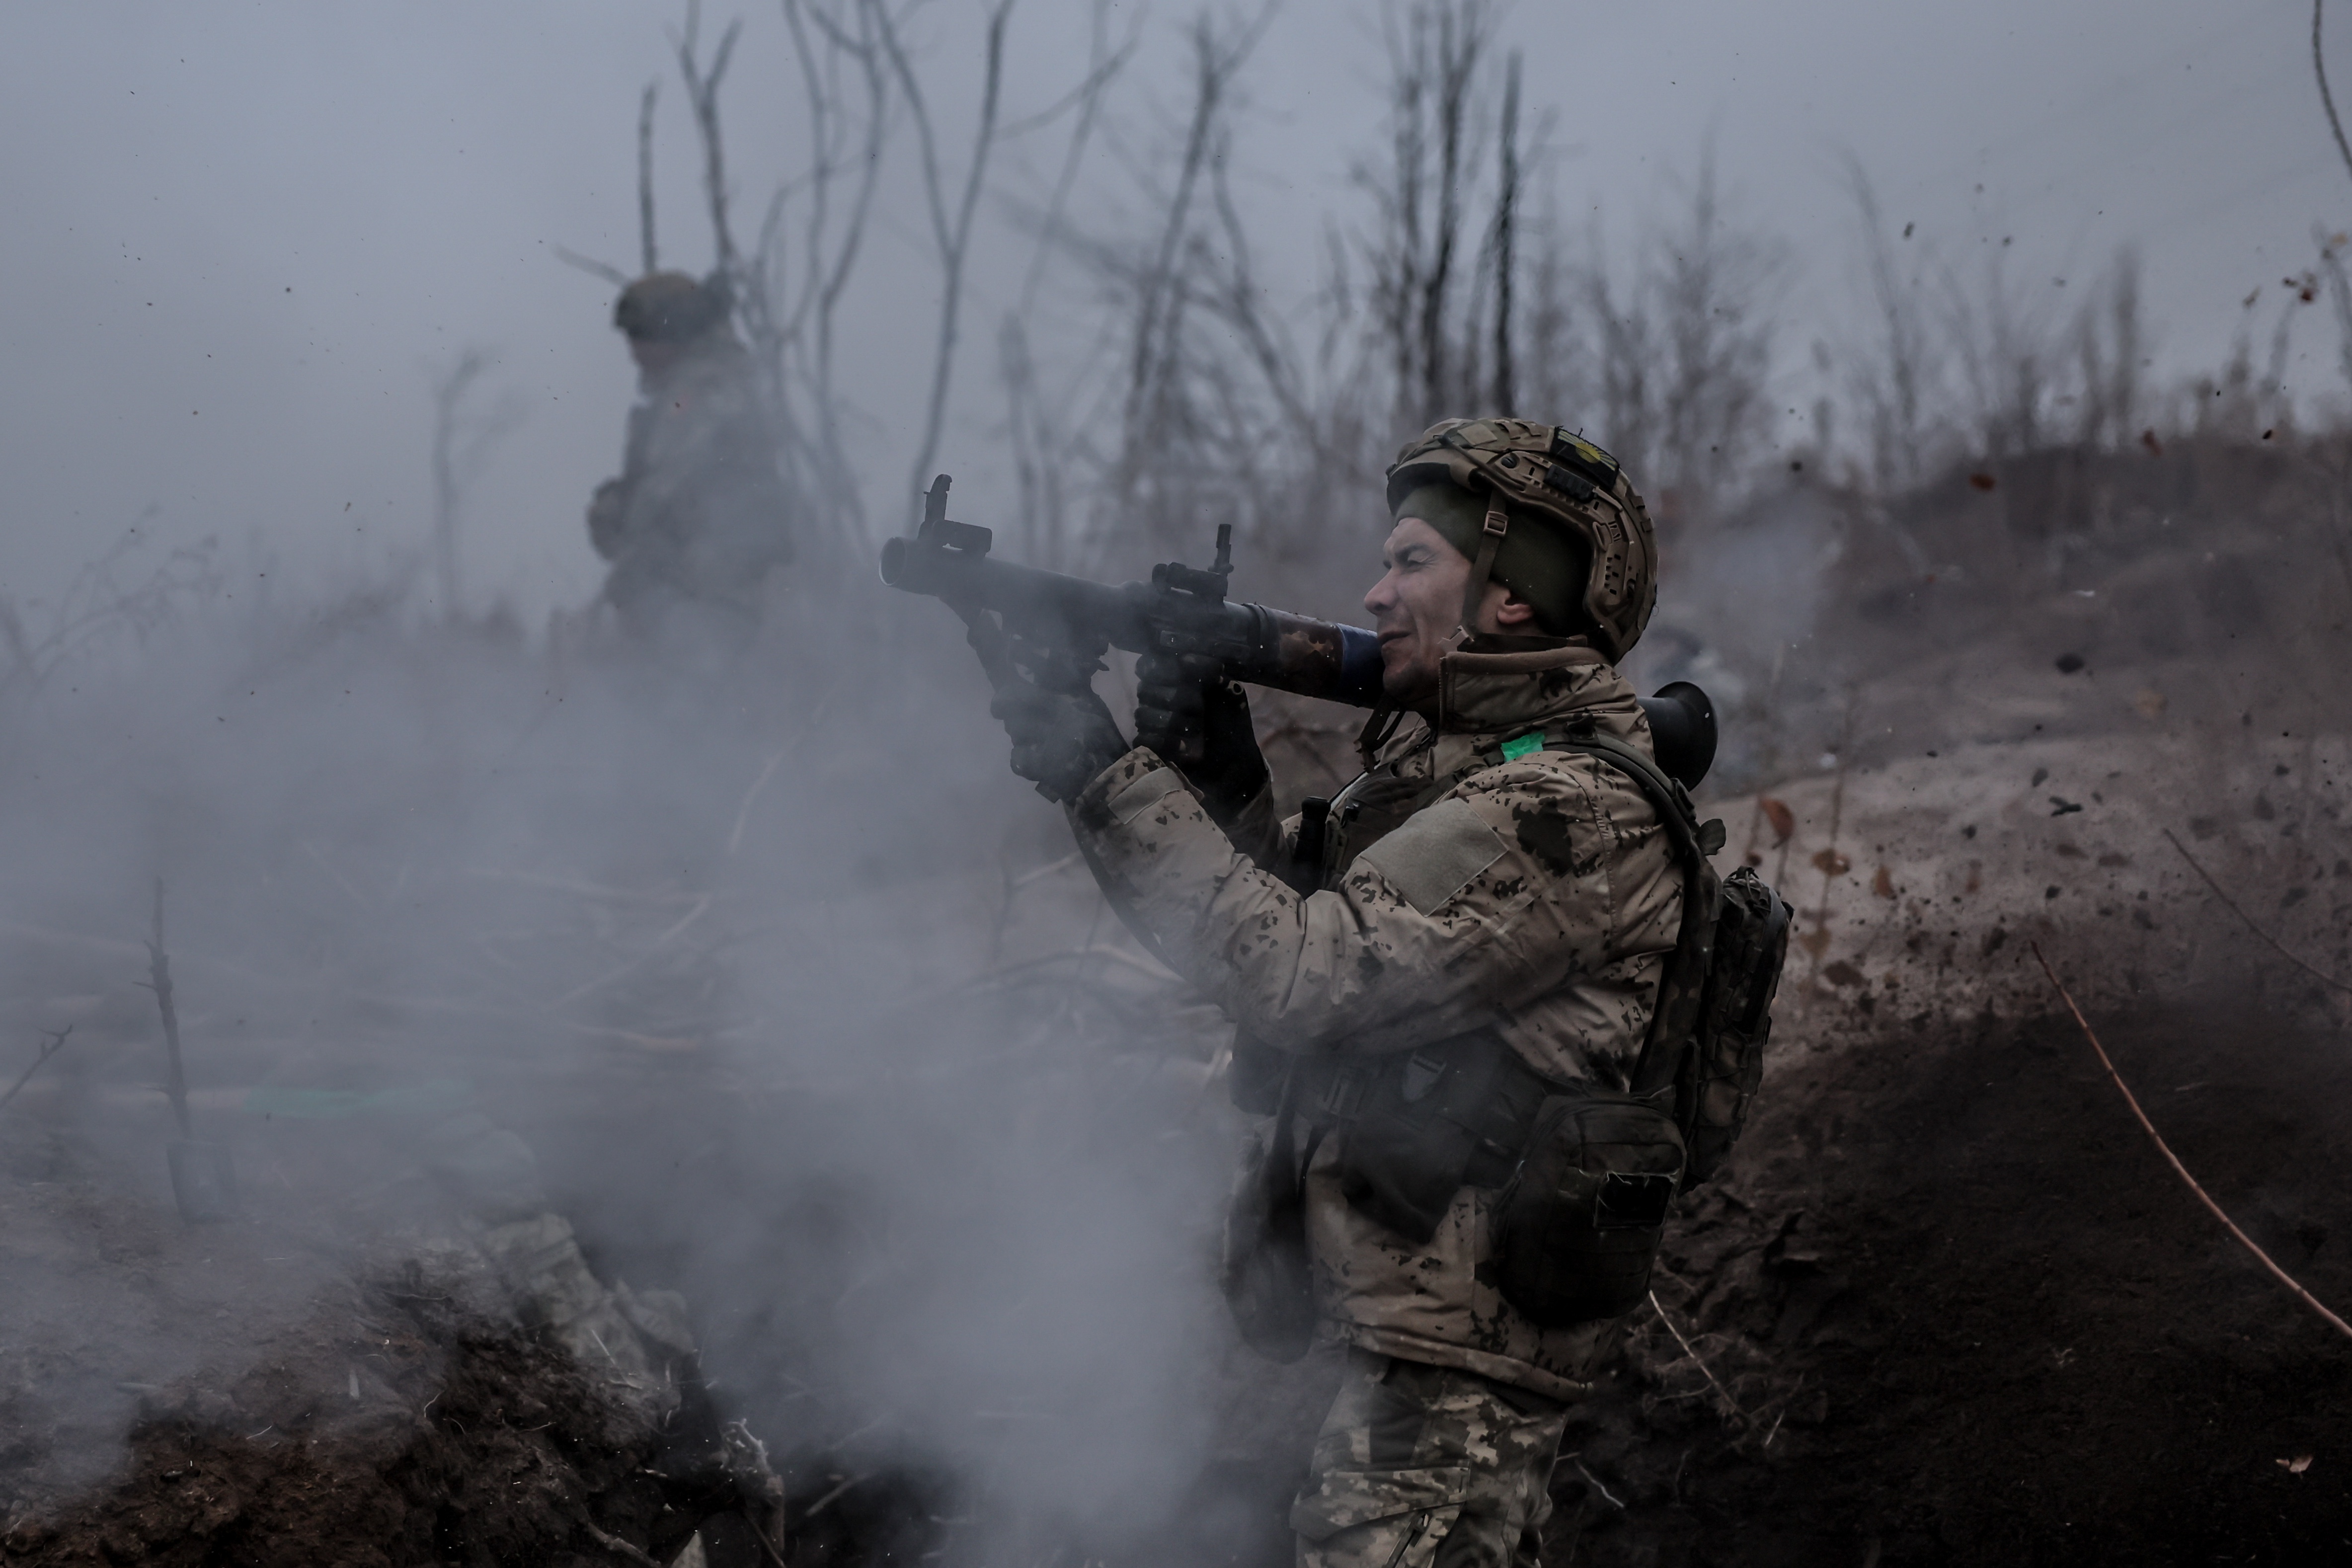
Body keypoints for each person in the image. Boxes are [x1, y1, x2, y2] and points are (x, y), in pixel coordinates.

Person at [993, 417, 1683, 1567]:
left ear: (1511, 595)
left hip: (1456, 1366)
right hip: (1393, 1324)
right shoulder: (1450, 782)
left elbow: (1300, 973)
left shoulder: (1568, 810)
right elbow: (1253, 926)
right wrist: (1207, 767)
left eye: (1412, 560)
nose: (1373, 591)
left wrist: (1100, 767)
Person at [587, 272, 792, 645]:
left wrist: (620, 528)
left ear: (672, 332)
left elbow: (663, 489)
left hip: (709, 589)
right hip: (704, 584)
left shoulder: (700, 389)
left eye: (640, 335)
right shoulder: (715, 380)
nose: (635, 352)